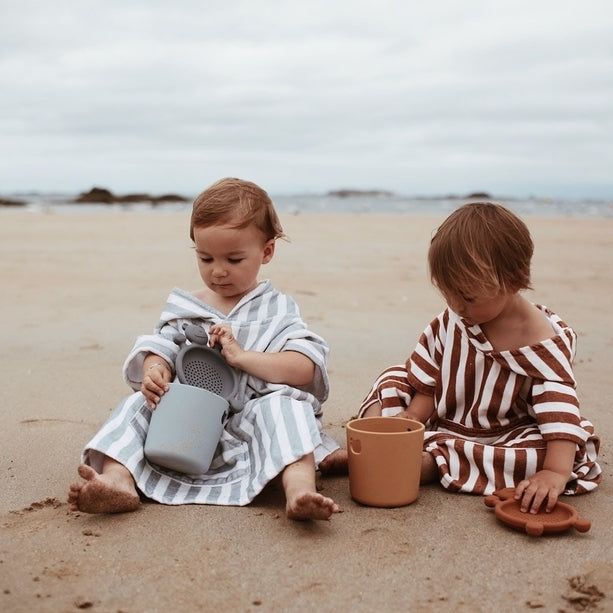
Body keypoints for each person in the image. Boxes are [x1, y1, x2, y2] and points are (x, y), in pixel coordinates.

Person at [68, 178, 341, 521]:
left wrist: (243, 357)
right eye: (206, 257)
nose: (218, 271)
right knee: (135, 406)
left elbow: (305, 366)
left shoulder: (276, 309)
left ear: (267, 252)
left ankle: (300, 489)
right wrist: (156, 371)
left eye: (234, 258)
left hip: (251, 420)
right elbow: (161, 345)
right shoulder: (187, 305)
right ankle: (118, 480)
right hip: (184, 422)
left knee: (287, 411)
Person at [333, 202, 601, 514]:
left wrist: (554, 472)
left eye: (468, 297)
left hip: (502, 434)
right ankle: (381, 440)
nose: (456, 305)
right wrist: (411, 419)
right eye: (448, 293)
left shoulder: (540, 342)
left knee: (537, 454)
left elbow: (558, 414)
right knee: (392, 378)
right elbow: (429, 378)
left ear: (514, 282)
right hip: (443, 414)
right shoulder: (458, 316)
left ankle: (427, 465)